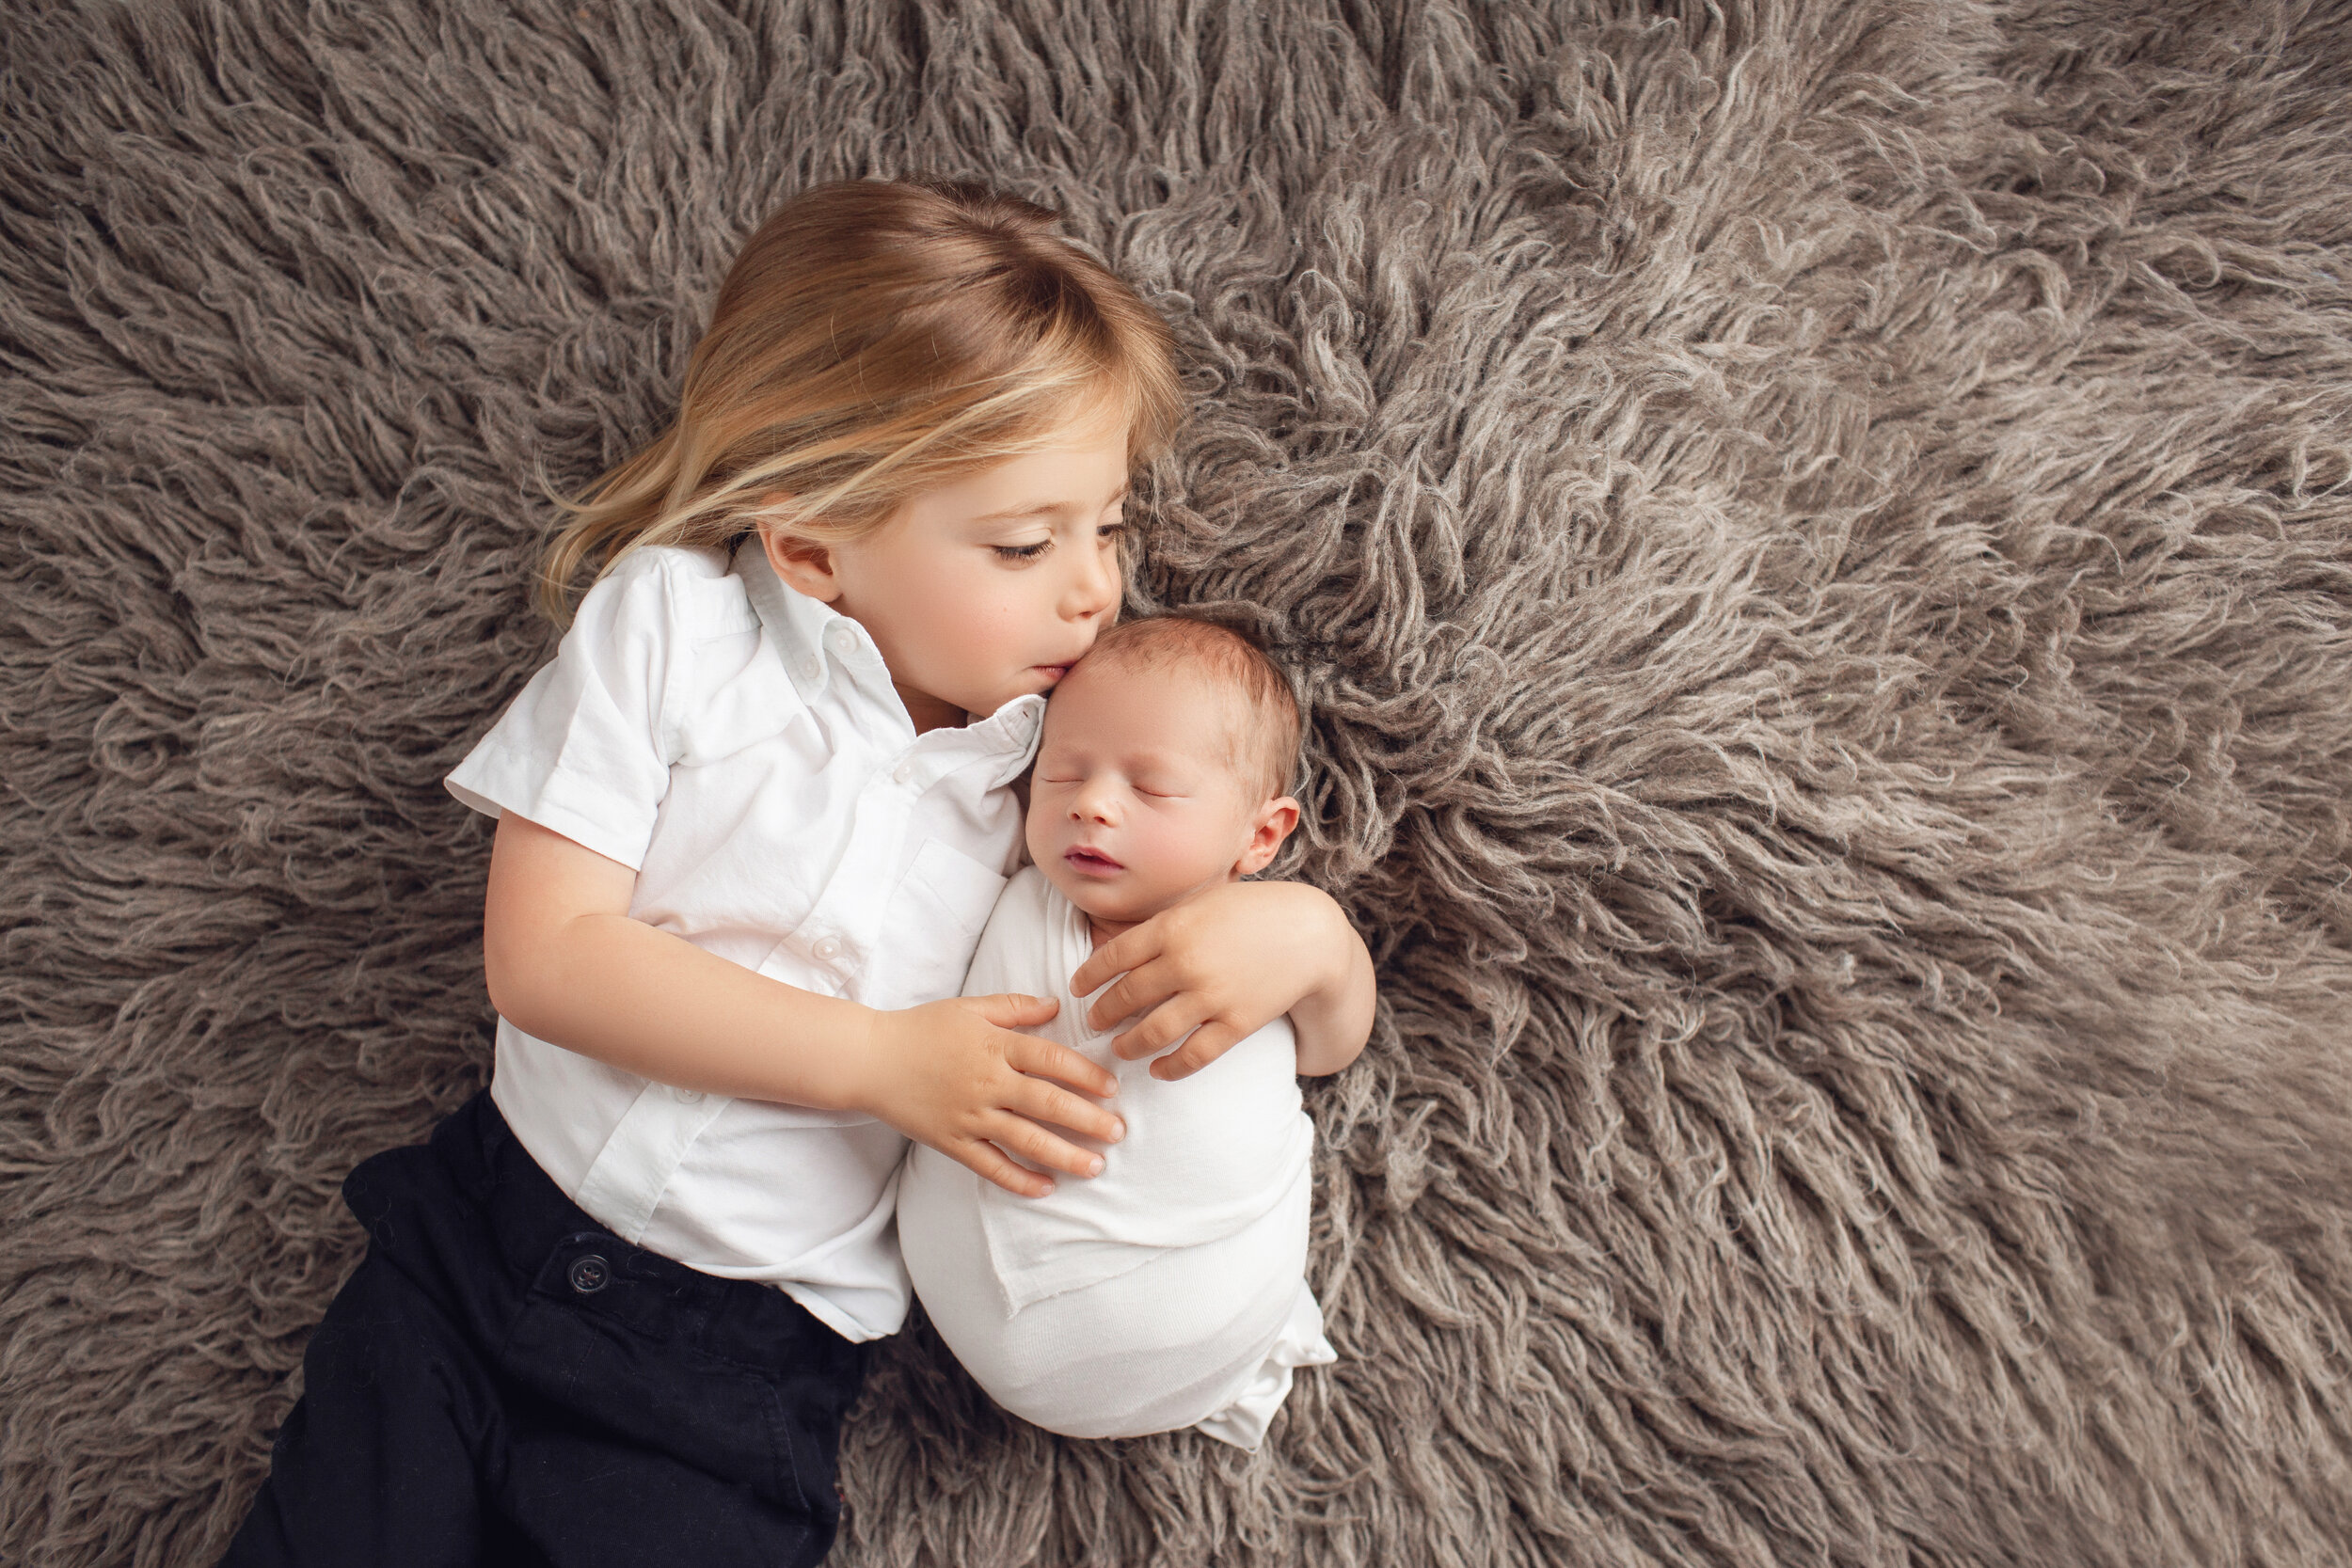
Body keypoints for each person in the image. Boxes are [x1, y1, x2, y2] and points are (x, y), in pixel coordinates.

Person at [221, 179, 1375, 1568]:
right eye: (1024, 542)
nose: (1091, 589)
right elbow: (547, 955)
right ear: (815, 543)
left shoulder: (1065, 767)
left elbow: (1261, 958)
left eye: (1109, 525)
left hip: (734, 1355)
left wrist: (1304, 931)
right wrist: (879, 1063)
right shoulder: (671, 631)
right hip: (480, 1247)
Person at [899, 615, 1362, 1449]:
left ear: (1260, 834)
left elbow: (1331, 1049)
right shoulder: (1011, 889)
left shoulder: (1260, 937)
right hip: (966, 1303)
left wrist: (1319, 937)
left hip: (1205, 1299)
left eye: (1150, 788)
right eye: (1062, 772)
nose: (1091, 804)